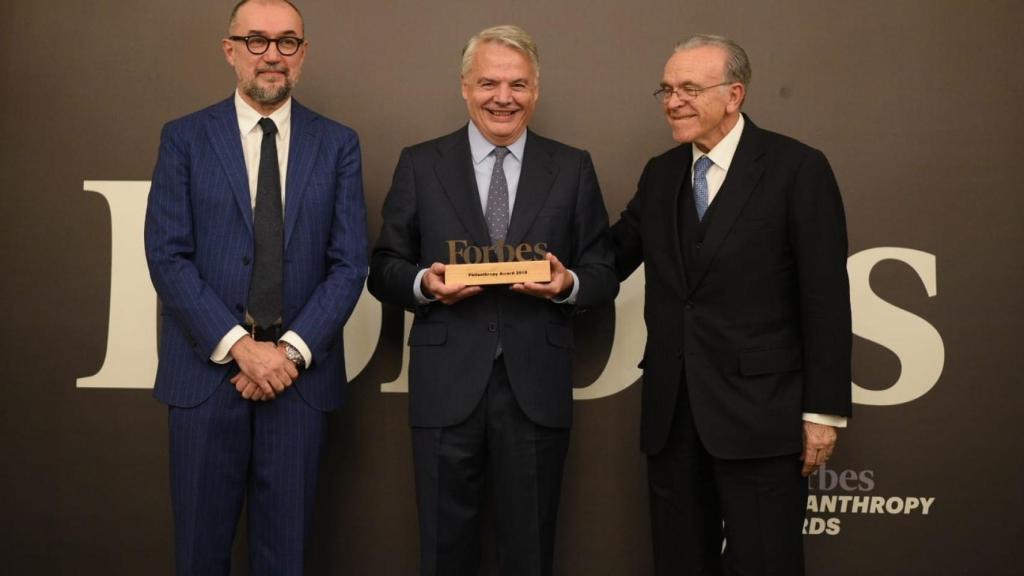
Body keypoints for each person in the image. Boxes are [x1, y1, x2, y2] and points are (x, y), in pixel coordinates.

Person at [368, 24, 618, 576]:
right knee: (443, 549)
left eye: (518, 85)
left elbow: (603, 271)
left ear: (536, 91)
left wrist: (568, 285)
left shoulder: (572, 167)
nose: (503, 98)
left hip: (535, 386)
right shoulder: (420, 163)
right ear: (464, 88)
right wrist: (424, 285)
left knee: (529, 551)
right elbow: (383, 268)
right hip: (445, 385)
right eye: (488, 83)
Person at [610, 34, 852, 575]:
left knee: (768, 562)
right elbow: (613, 256)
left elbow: (827, 299)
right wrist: (561, 278)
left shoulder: (797, 168)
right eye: (667, 89)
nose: (673, 101)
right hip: (672, 418)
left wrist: (822, 413)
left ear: (735, 93)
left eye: (690, 89)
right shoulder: (661, 173)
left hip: (763, 418)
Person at [143, 1, 367, 573]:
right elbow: (167, 256)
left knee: (285, 556)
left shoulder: (338, 143)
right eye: (258, 40)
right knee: (199, 554)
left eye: (287, 42)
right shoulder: (184, 138)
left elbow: (349, 264)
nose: (273, 54)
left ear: (303, 53)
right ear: (230, 50)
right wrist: (242, 348)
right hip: (205, 377)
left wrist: (286, 354)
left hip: (298, 383)